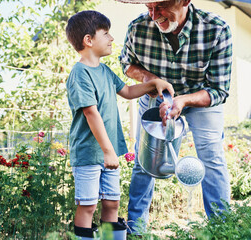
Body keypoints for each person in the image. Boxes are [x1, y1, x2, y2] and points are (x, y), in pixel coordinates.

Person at [117, 0, 233, 234]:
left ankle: (223, 229)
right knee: (143, 159)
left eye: (160, 6)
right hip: (156, 95)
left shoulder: (216, 29)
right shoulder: (137, 28)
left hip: (201, 97)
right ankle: (136, 229)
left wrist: (182, 100)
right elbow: (127, 64)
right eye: (149, 7)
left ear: (184, 1)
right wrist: (152, 80)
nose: (153, 15)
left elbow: (219, 90)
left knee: (211, 158)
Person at [65, 10, 174, 239]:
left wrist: (153, 83)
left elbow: (127, 91)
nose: (112, 38)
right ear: (88, 40)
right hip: (90, 153)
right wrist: (108, 151)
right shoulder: (80, 73)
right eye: (106, 33)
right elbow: (90, 113)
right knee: (88, 205)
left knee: (112, 203)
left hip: (109, 153)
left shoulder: (104, 71)